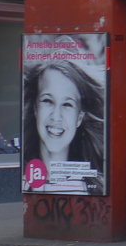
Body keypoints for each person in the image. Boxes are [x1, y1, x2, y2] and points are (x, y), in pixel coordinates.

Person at [21, 61, 105, 195]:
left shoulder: (94, 189)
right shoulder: (21, 181)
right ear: (35, 108)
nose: (56, 116)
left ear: (79, 118)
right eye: (47, 101)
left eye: (67, 104)